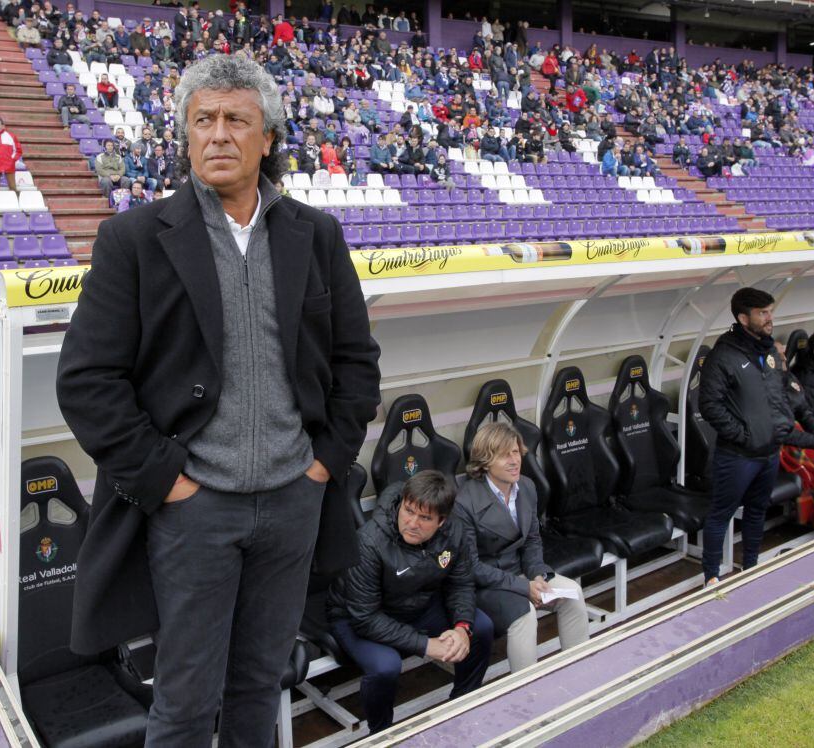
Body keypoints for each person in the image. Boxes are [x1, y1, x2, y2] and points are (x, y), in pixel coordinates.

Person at [55, 54, 381, 746]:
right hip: (194, 512)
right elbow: (87, 382)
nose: (219, 135)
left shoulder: (315, 235)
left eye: (237, 120)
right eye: (203, 120)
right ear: (185, 135)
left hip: (294, 500)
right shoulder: (134, 240)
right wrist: (169, 483)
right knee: (184, 701)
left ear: (268, 139)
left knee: (260, 688)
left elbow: (356, 362)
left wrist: (324, 463)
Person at [327, 471, 494, 734]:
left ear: (442, 521)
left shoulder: (454, 531)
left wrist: (462, 627)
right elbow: (365, 618)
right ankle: (381, 735)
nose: (412, 523)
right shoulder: (369, 541)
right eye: (408, 511)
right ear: (402, 503)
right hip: (357, 616)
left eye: (425, 518)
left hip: (417, 603)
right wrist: (427, 645)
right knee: (385, 667)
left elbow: (460, 583)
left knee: (480, 628)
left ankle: (462, 706)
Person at [455, 423, 588, 674]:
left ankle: (578, 671)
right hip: (487, 584)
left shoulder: (526, 487)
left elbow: (532, 539)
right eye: (505, 455)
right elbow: (471, 567)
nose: (514, 460)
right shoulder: (464, 502)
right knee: (524, 614)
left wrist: (537, 574)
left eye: (516, 452)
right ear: (485, 460)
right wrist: (524, 587)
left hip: (524, 573)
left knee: (573, 594)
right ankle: (526, 690)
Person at [698, 288, 793, 585]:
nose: (769, 318)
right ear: (743, 318)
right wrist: (743, 435)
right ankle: (711, 578)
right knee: (720, 515)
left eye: (770, 311)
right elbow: (709, 404)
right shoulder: (723, 355)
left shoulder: (767, 350)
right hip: (737, 455)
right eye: (762, 313)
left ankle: (750, 569)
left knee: (757, 511)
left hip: (768, 452)